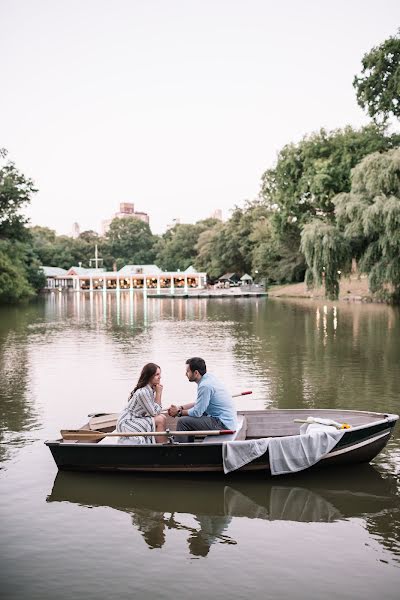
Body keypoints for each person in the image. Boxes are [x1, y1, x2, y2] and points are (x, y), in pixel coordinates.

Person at [168, 357, 237, 439]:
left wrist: (179, 412)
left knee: (183, 422)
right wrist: (180, 408)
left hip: (223, 424)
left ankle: (181, 451)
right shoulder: (209, 378)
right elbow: (199, 404)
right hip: (227, 421)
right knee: (189, 417)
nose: (185, 374)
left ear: (196, 373)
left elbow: (197, 412)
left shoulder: (205, 386)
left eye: (188, 371)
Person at [116, 363, 167, 444]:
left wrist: (156, 392)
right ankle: (164, 448)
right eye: (157, 374)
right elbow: (154, 413)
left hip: (135, 420)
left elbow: (155, 411)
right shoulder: (143, 392)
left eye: (160, 374)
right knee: (160, 419)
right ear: (150, 376)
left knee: (162, 417)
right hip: (127, 423)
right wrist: (158, 394)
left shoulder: (149, 390)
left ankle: (162, 444)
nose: (160, 377)